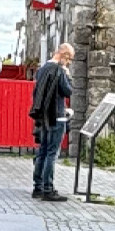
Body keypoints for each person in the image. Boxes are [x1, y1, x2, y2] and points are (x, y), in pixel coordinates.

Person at [28, 43, 73, 201]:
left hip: (44, 116)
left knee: (42, 151)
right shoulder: (59, 70)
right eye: (70, 59)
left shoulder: (42, 69)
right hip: (57, 115)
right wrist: (67, 75)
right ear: (64, 55)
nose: (69, 63)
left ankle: (38, 187)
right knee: (51, 154)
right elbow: (67, 91)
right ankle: (48, 189)